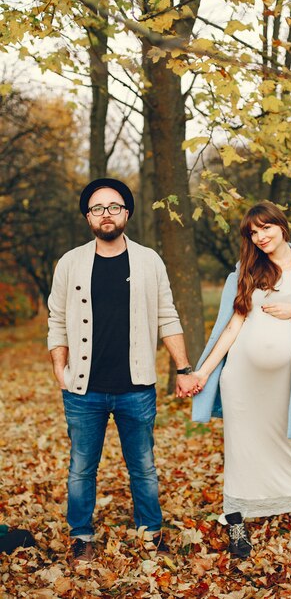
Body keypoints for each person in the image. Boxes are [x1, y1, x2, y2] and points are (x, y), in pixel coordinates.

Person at [47, 178, 198, 564]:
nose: (106, 214)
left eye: (114, 207)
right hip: (83, 390)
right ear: (88, 217)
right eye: (97, 208)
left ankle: (151, 532)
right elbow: (57, 320)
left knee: (143, 467)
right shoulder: (69, 262)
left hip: (136, 387)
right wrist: (59, 369)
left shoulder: (149, 261)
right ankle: (81, 535)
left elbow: (168, 316)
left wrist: (183, 368)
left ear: (126, 213)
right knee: (82, 468)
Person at [188, 201, 291, 558]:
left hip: (290, 378)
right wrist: (204, 371)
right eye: (253, 233)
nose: (260, 237)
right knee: (242, 450)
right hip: (241, 379)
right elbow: (232, 326)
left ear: (281, 225)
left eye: (265, 228)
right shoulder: (247, 270)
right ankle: (237, 520)